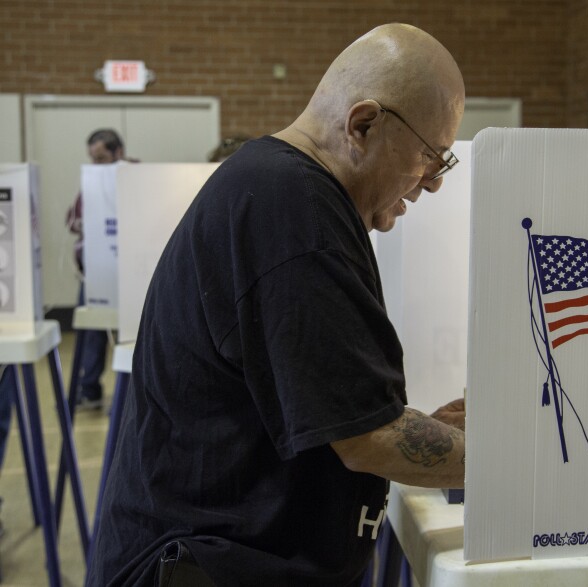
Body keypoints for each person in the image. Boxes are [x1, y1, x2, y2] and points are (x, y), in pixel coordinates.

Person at [87, 23, 466, 586]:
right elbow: (365, 440)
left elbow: (338, 413)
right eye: (432, 156)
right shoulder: (296, 211)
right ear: (363, 124)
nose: (431, 183)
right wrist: (510, 453)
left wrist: (424, 434)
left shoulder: (280, 190)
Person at [65, 129, 131, 410]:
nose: (97, 165)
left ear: (119, 153)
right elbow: (71, 219)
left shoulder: (136, 176)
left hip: (128, 270)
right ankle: (89, 390)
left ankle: (128, 396)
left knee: (131, 334)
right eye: (93, 159)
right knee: (91, 332)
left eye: (102, 158)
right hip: (95, 270)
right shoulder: (92, 181)